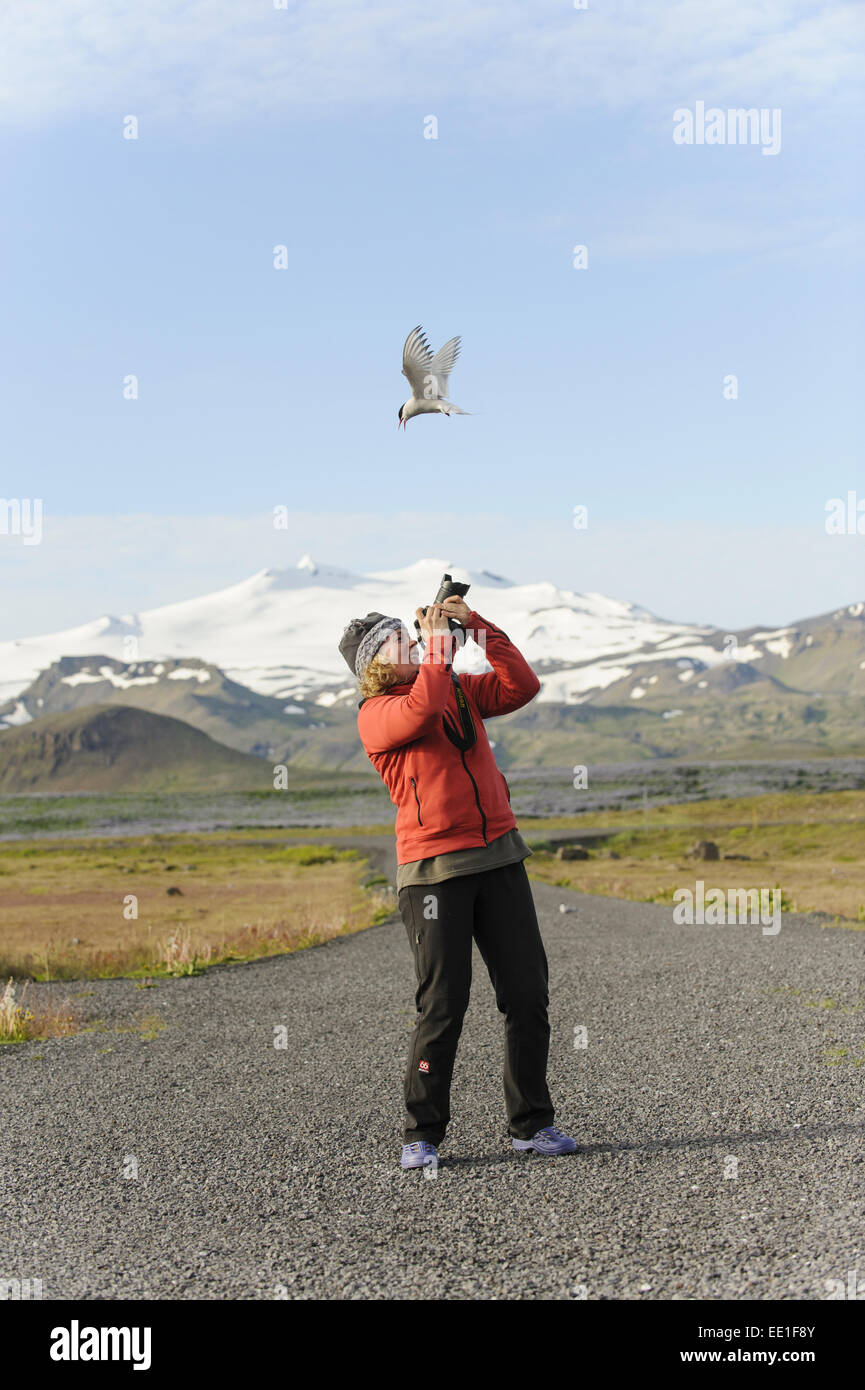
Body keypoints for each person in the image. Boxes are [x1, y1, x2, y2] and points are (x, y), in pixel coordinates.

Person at [338, 594, 577, 1169]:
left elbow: (522, 685)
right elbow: (422, 709)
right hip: (433, 875)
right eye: (399, 638)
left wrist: (477, 628)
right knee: (444, 1004)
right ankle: (422, 1133)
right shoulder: (378, 714)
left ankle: (532, 1125)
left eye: (409, 631)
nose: (413, 638)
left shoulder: (457, 690)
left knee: (526, 995)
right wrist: (442, 648)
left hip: (499, 857)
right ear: (376, 663)